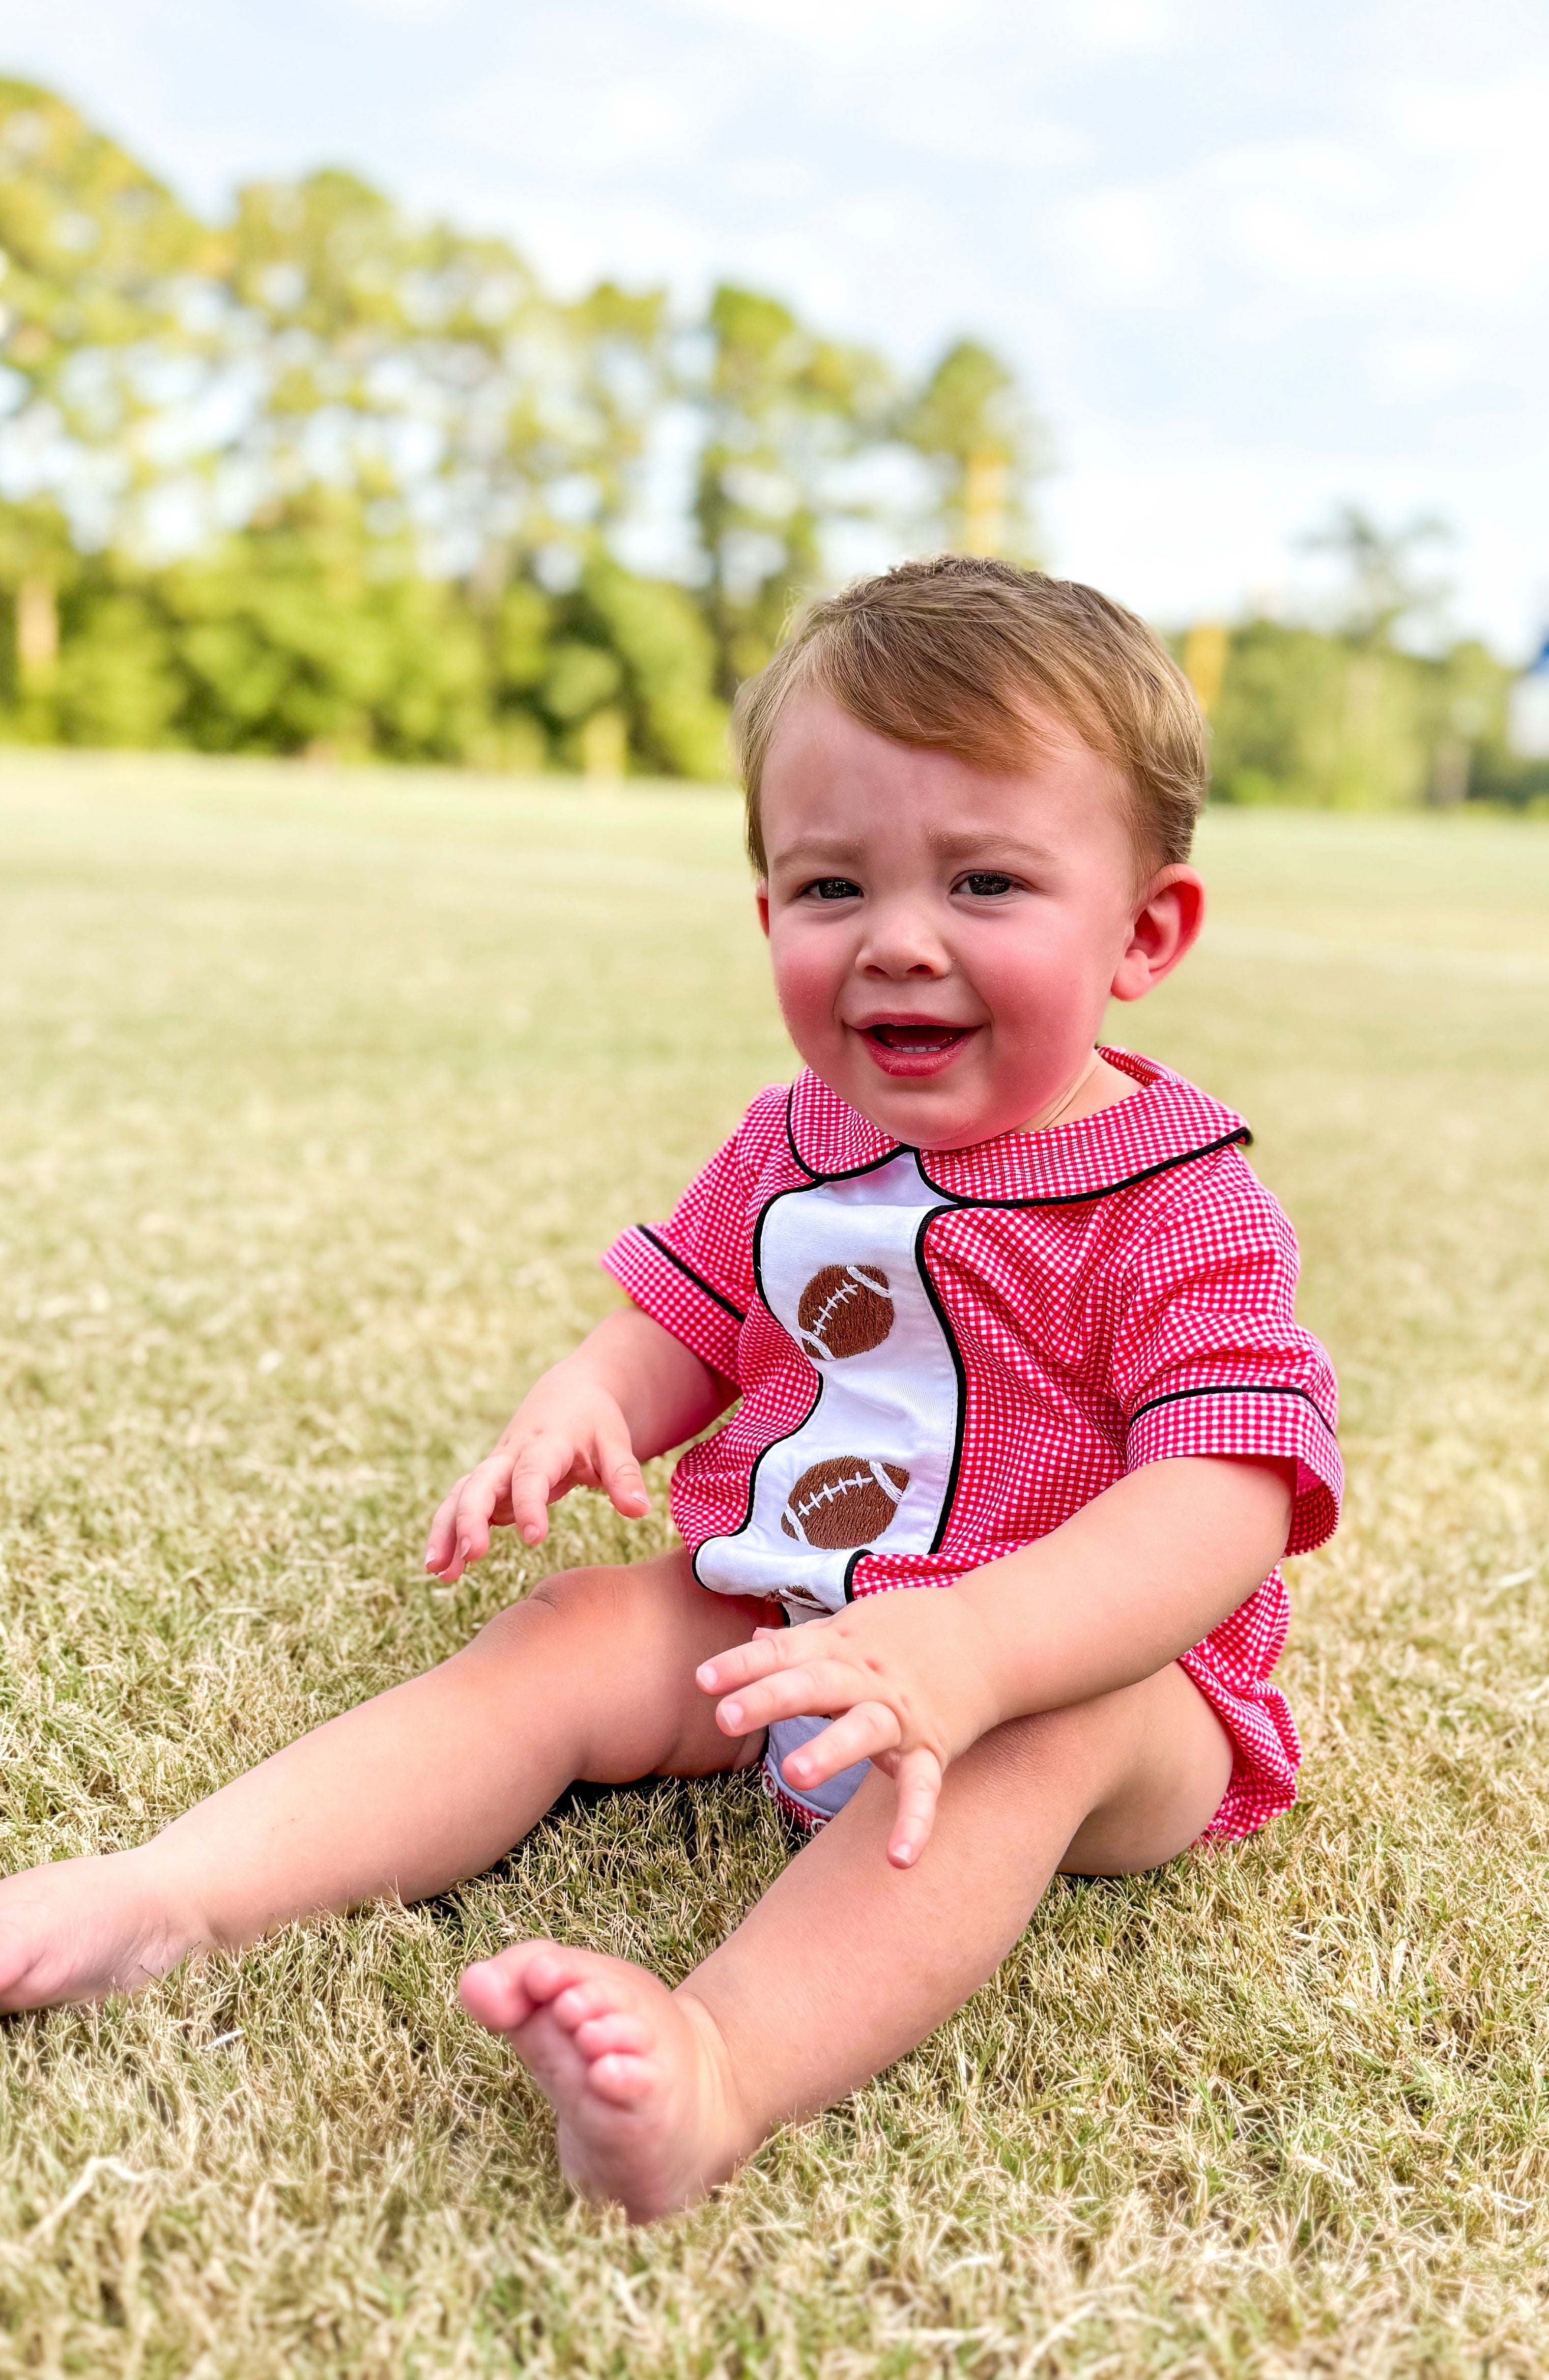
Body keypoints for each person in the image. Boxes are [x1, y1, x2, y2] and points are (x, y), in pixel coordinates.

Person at [0, 558, 1341, 2223]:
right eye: (832, 887)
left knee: (1024, 1742)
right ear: (769, 913)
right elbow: (695, 1322)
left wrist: (978, 1649)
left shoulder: (1182, 1203)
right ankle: (172, 1892)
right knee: (573, 1626)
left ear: (1145, 931)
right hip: (791, 1614)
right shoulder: (791, 1140)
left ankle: (716, 2070)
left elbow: (1222, 1498)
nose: (897, 946)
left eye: (986, 884)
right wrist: (587, 1400)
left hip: (1097, 1692)